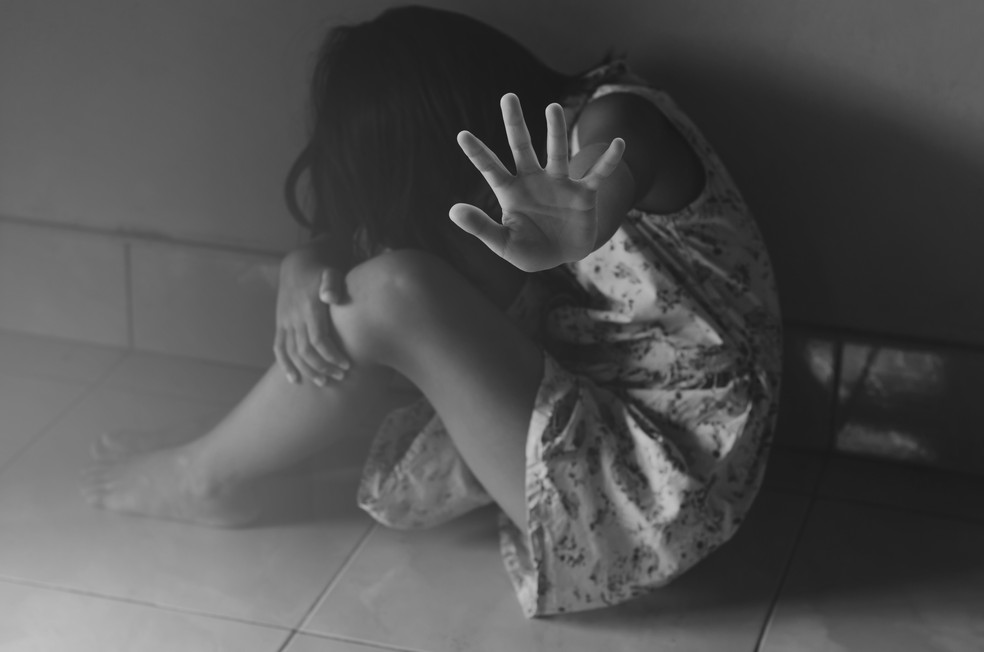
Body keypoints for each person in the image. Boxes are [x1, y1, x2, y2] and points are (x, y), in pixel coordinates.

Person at [83, 5, 782, 618]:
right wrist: (308, 261)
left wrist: (586, 223)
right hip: (613, 422)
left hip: (666, 483)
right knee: (374, 288)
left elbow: (617, 159)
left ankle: (204, 475)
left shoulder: (615, 118)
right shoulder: (501, 197)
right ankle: (234, 454)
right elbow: (382, 252)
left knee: (392, 291)